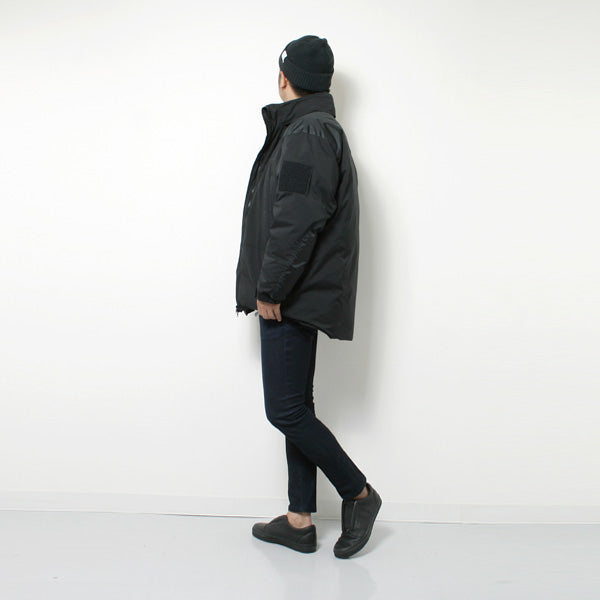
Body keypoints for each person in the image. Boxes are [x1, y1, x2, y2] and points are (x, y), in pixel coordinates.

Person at [235, 34, 381, 558]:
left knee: (285, 411)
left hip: (290, 294)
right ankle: (299, 520)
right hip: (295, 289)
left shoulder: (309, 132)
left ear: (284, 77)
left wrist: (271, 287)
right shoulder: (309, 129)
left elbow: (297, 219)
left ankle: (358, 493)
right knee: (296, 405)